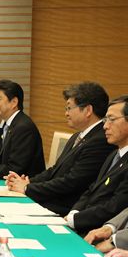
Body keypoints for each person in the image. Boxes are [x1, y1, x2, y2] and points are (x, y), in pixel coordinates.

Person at [6, 82, 115, 216]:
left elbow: (72, 182)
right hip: (52, 200)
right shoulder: (77, 135)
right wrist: (27, 182)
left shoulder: (100, 140)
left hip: (66, 208)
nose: (66, 113)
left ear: (88, 110)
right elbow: (54, 170)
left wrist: (28, 188)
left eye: (69, 108)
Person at [64, 95, 128, 235]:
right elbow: (93, 189)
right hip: (81, 223)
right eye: (105, 120)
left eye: (112, 119)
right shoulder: (114, 154)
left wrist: (75, 219)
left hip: (100, 231)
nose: (105, 126)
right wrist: (74, 212)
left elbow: (115, 206)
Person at [0, 79, 45, 179]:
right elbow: (3, 161)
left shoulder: (23, 127)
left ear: (14, 102)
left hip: (25, 187)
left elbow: (15, 168)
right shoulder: (11, 124)